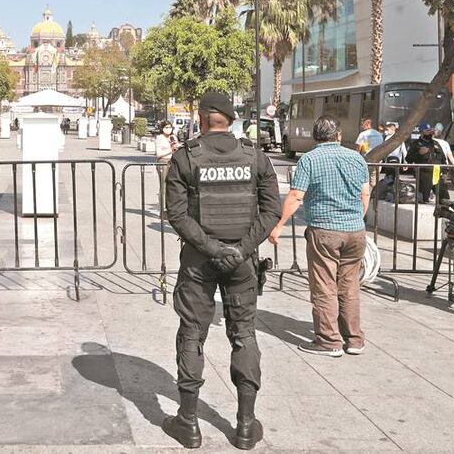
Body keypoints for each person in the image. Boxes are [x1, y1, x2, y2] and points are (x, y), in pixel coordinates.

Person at [163, 91, 282, 450]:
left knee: (192, 334)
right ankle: (245, 426)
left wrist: (213, 249)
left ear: (201, 119)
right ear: (230, 120)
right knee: (244, 333)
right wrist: (241, 250)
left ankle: (188, 424)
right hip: (241, 263)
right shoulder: (255, 157)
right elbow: (271, 211)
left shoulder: (185, 158)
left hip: (199, 261)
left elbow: (177, 215)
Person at [270, 114, 371, 358]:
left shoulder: (310, 160)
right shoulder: (356, 158)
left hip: (324, 231)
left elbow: (295, 196)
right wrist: (356, 219)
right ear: (338, 135)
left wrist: (279, 225)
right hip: (355, 231)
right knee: (349, 285)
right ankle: (354, 339)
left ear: (316, 136)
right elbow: (365, 194)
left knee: (325, 286)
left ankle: (328, 340)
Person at [406, 123, 447, 204]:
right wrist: (419, 153)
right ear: (422, 132)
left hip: (437, 174)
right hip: (424, 175)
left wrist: (445, 172)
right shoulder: (416, 144)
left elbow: (443, 159)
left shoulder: (435, 143)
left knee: (444, 198)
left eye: (431, 130)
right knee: (423, 200)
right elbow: (408, 159)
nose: (430, 133)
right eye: (428, 131)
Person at [154, 121, 178, 215]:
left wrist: (176, 147)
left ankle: (171, 208)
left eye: (170, 127)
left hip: (173, 162)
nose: (169, 129)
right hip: (163, 162)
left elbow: (176, 149)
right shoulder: (159, 138)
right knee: (163, 186)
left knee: (172, 186)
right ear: (162, 128)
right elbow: (158, 154)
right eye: (166, 127)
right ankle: (162, 209)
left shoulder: (173, 137)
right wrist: (170, 151)